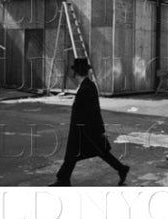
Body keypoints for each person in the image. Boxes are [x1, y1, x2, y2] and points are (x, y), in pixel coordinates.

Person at [50, 58, 130, 186]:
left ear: (76, 73)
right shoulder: (86, 85)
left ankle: (121, 169)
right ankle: (63, 179)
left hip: (85, 130)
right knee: (85, 153)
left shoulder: (87, 87)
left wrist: (100, 131)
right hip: (82, 129)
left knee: (96, 152)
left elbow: (94, 111)